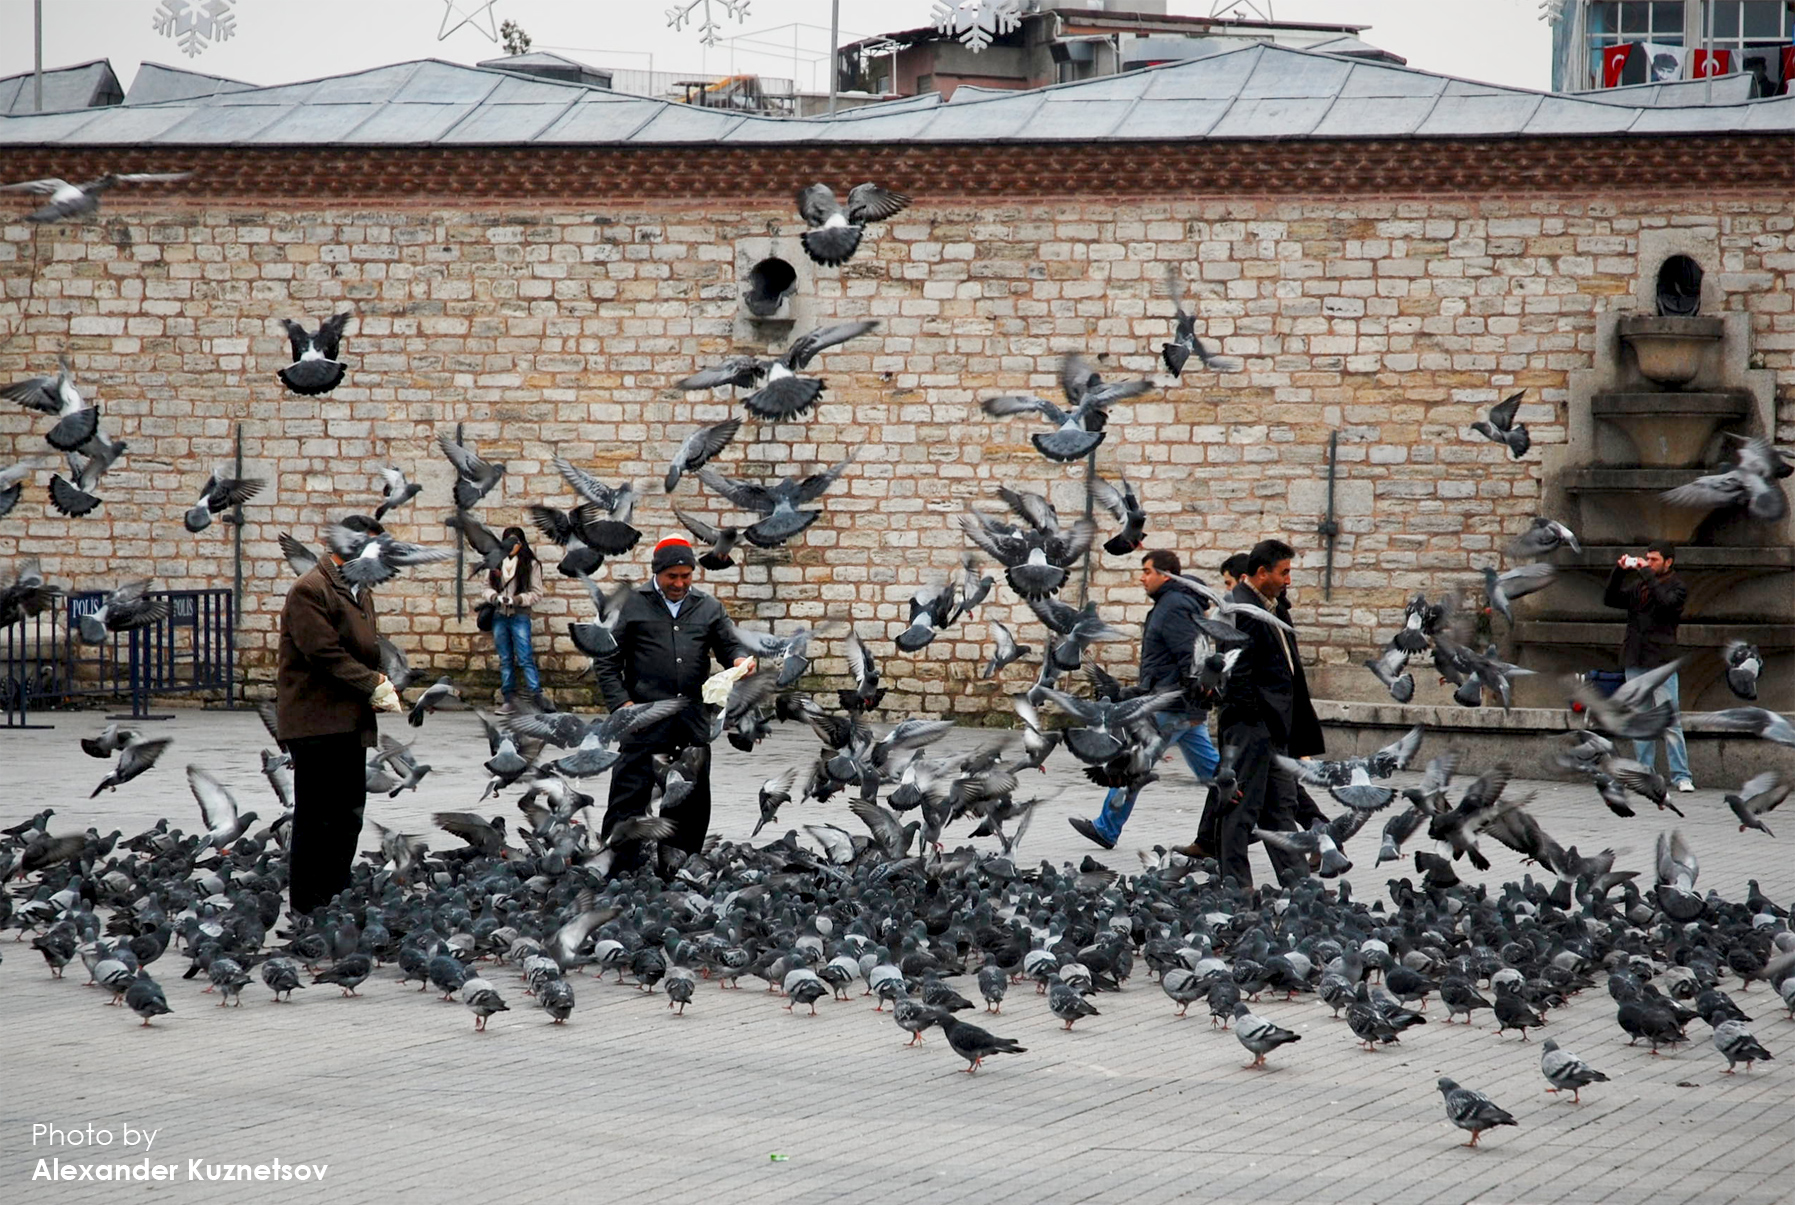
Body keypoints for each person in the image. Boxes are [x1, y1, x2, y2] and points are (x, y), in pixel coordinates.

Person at [594, 536, 752, 870]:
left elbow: (729, 645)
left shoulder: (708, 607)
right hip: (643, 720)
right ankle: (617, 867)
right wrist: (622, 706)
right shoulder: (631, 605)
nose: (679, 583)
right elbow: (606, 662)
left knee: (690, 802)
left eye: (686, 576)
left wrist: (740, 661)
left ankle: (679, 868)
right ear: (657, 573)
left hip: (692, 722)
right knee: (629, 796)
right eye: (672, 577)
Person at [275, 513, 404, 917]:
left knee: (348, 816)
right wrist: (373, 684)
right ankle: (307, 908)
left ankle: (334, 898)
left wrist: (383, 677)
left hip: (349, 721)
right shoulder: (310, 590)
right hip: (316, 722)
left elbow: (366, 646)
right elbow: (325, 653)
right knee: (318, 818)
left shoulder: (358, 588)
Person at [1069, 549, 1219, 850]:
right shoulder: (1173, 603)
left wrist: (1167, 696)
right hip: (1179, 707)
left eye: (1147, 571)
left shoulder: (1174, 606)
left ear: (1166, 575)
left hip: (1169, 707)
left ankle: (1106, 829)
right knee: (1216, 774)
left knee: (1132, 766)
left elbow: (1189, 659)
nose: (1141, 577)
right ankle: (1255, 814)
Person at [1197, 538, 1324, 887]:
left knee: (1280, 808)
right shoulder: (1240, 609)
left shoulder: (1273, 606)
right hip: (1252, 727)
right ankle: (1236, 886)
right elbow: (1236, 675)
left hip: (1274, 728)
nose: (1288, 580)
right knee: (1241, 809)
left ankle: (1298, 885)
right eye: (1283, 573)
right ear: (1261, 572)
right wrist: (1258, 719)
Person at [1604, 539, 1692, 791]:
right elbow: (1610, 599)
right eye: (1647, 558)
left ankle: (1681, 775)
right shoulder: (1639, 586)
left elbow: (1666, 604)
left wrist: (1645, 573)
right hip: (1635, 659)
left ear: (1668, 561)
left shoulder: (1678, 587)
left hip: (1661, 661)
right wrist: (1619, 571)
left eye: (1654, 560)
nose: (1649, 563)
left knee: (1670, 721)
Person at [484, 525, 546, 712]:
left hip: (519, 615)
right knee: (505, 658)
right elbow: (485, 587)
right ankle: (509, 698)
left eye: (516, 542)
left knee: (525, 656)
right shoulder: (495, 561)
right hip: (499, 615)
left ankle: (536, 698)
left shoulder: (531, 564)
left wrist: (518, 599)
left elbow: (537, 592)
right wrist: (495, 597)